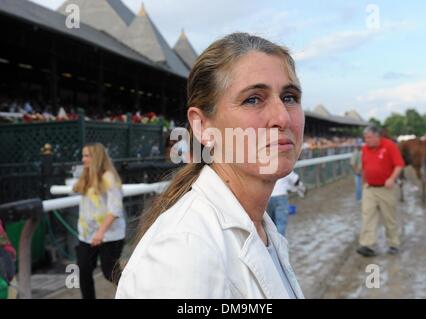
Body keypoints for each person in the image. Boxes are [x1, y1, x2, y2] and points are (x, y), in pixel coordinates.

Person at [116, 33, 305, 298]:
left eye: (289, 97)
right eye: (253, 99)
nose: (282, 117)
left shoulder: (258, 225)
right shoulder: (185, 249)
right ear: (202, 126)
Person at [72, 143, 126, 299]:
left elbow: (115, 209)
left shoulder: (109, 177)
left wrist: (100, 233)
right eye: (83, 155)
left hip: (109, 235)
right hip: (86, 235)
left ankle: (137, 292)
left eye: (87, 156)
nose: (83, 159)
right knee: (83, 270)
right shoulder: (85, 175)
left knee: (109, 272)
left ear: (97, 157)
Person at [357, 126, 405, 257]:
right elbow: (365, 167)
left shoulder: (389, 146)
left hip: (386, 189)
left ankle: (393, 244)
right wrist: (364, 186)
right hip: (370, 188)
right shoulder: (365, 148)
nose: (366, 140)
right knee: (367, 216)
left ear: (378, 136)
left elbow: (399, 164)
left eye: (369, 137)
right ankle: (367, 245)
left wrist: (392, 178)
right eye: (365, 138)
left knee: (389, 217)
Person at [267, 170, 301, 236]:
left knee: (270, 224)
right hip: (281, 196)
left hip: (267, 197)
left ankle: (271, 243)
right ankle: (280, 244)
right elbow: (296, 180)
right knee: (281, 223)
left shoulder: (265, 165)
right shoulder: (283, 164)